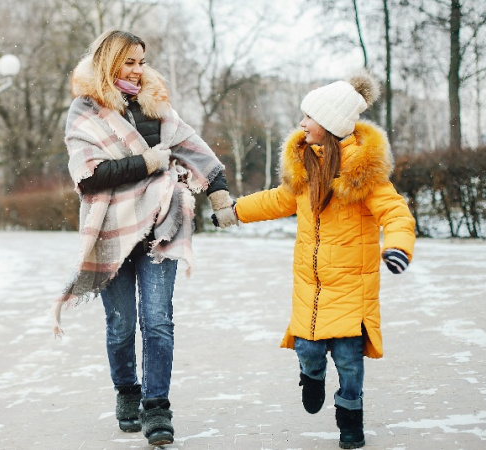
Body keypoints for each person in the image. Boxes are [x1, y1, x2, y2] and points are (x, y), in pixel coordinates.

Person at [53, 30, 237, 446]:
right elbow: (90, 176)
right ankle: (126, 391)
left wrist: (219, 190)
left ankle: (157, 408)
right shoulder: (85, 111)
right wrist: (148, 161)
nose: (138, 70)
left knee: (157, 322)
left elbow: (195, 148)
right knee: (121, 326)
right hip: (111, 231)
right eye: (129, 62)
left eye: (142, 61)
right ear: (107, 62)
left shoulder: (156, 105)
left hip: (161, 228)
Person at [229, 72, 416, 449]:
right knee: (308, 349)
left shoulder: (365, 178)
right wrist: (235, 210)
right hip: (311, 289)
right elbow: (277, 200)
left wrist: (397, 246)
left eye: (308, 117)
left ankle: (350, 416)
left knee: (349, 361)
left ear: (329, 125)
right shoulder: (305, 167)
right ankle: (311, 376)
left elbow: (396, 214)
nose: (301, 124)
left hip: (351, 289)